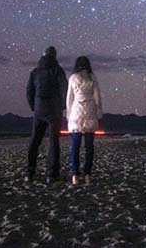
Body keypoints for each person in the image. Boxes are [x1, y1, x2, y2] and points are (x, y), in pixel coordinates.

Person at [26, 46, 67, 183]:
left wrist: (34, 107)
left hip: (39, 110)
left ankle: (29, 173)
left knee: (35, 141)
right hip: (53, 110)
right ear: (54, 56)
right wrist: (63, 106)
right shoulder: (57, 70)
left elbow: (29, 92)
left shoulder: (35, 72)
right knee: (53, 142)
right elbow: (64, 89)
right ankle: (52, 174)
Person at [65, 55, 103, 185]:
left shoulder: (73, 78)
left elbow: (69, 98)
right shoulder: (92, 77)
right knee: (89, 147)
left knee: (75, 146)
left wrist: (69, 114)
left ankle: (75, 174)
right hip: (90, 110)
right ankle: (87, 175)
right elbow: (97, 97)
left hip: (77, 111)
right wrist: (99, 112)